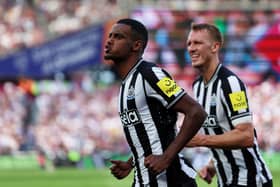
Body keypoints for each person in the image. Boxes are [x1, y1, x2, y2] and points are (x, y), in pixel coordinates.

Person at [104, 18, 207, 187]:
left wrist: (166, 158)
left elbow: (196, 112)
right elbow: (155, 133)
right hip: (143, 180)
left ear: (136, 45)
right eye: (110, 36)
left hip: (170, 180)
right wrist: (132, 163)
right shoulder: (126, 84)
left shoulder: (150, 74)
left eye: (118, 37)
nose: (109, 41)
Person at [185, 23, 273, 187]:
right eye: (189, 43)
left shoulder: (230, 83)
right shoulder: (197, 86)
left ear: (215, 47)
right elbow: (224, 130)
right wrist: (212, 164)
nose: (191, 48)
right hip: (226, 180)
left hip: (250, 180)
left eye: (198, 43)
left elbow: (246, 136)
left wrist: (201, 140)